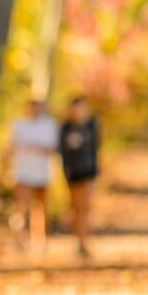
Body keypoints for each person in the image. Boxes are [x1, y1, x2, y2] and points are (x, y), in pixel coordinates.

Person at [9, 98, 59, 252]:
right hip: (22, 173)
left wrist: (34, 147)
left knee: (41, 208)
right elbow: (11, 147)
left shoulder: (49, 125)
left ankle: (41, 240)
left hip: (42, 174)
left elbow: (52, 148)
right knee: (21, 208)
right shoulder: (19, 125)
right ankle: (20, 239)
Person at [58, 96, 100, 258]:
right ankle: (79, 240)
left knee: (85, 208)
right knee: (75, 208)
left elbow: (95, 149)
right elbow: (63, 151)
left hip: (88, 171)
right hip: (72, 173)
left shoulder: (91, 126)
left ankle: (84, 240)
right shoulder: (66, 128)